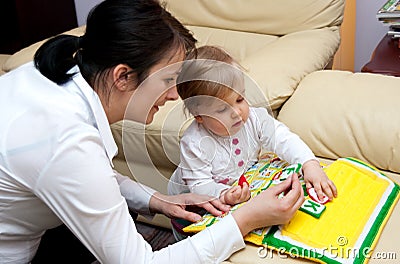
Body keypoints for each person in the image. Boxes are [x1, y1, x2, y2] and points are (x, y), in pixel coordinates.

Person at [0, 0, 305, 263]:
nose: (175, 96)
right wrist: (247, 218)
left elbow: (87, 179)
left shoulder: (52, 77)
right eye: (169, 79)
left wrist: (157, 200)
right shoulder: (64, 141)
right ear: (123, 76)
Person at [168, 45, 337, 240]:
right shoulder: (194, 143)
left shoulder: (254, 119)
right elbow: (200, 185)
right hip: (191, 202)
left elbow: (283, 139)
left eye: (240, 99)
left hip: (239, 182)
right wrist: (224, 194)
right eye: (222, 110)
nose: (237, 112)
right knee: (193, 241)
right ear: (199, 116)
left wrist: (309, 163)